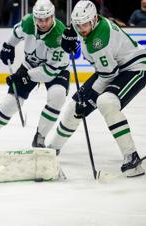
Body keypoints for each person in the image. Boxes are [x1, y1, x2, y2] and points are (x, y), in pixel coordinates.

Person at [51, 0, 145, 177]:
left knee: (106, 101)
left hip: (135, 68)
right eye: (78, 25)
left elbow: (108, 76)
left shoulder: (99, 41)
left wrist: (89, 100)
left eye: (85, 24)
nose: (82, 28)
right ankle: (51, 150)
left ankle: (131, 157)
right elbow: (76, 27)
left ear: (94, 20)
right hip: (111, 67)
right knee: (73, 107)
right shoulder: (87, 23)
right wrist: (70, 33)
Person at [0, 0, 70, 151]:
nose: (43, 23)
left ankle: (40, 137)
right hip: (30, 64)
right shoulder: (28, 22)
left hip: (56, 70)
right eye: (39, 19)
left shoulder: (60, 36)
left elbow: (49, 72)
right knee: (10, 102)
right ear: (35, 18)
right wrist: (8, 46)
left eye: (46, 19)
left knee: (57, 95)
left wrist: (25, 77)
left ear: (52, 16)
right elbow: (16, 33)